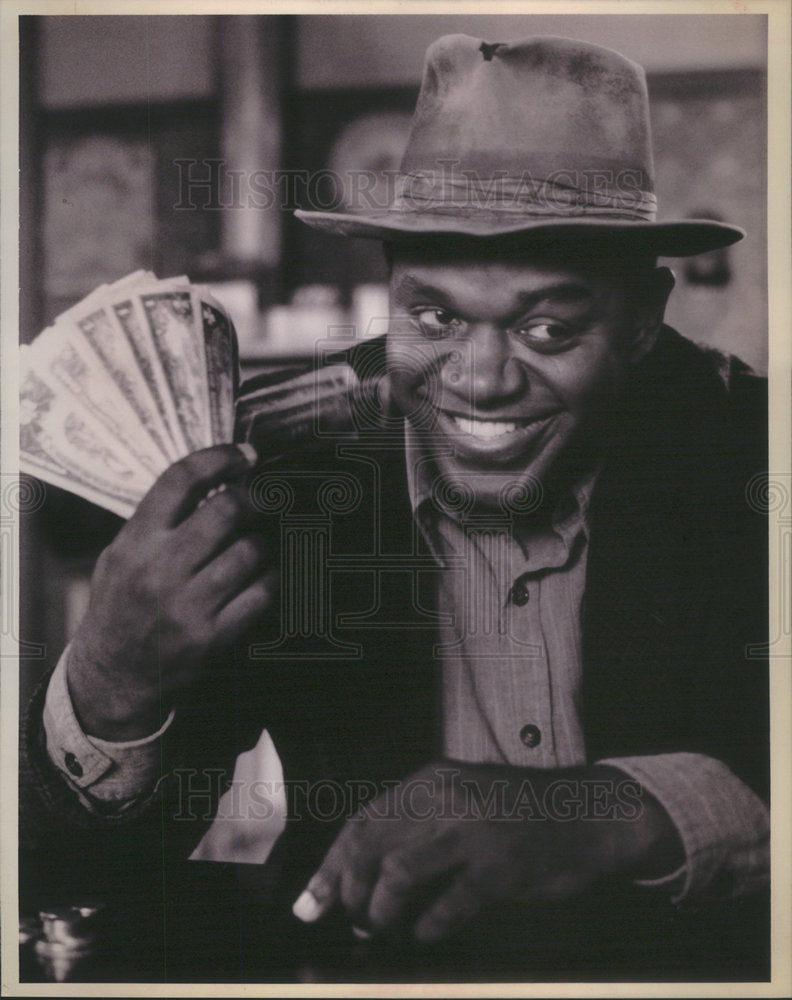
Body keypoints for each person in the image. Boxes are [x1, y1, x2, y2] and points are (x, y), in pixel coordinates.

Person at [20, 34, 769, 974]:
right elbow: (75, 875)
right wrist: (112, 688)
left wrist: (604, 818)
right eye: (435, 317)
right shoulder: (294, 495)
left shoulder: (750, 464)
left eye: (548, 326)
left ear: (644, 319)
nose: (482, 381)